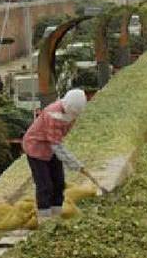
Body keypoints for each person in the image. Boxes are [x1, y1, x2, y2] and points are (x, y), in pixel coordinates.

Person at [22, 89, 106, 223]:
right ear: (67, 106)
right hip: (36, 148)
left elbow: (58, 141)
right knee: (45, 185)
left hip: (51, 146)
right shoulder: (53, 115)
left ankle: (57, 214)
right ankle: (44, 218)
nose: (74, 116)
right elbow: (57, 147)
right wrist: (76, 165)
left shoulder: (70, 113)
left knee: (59, 182)